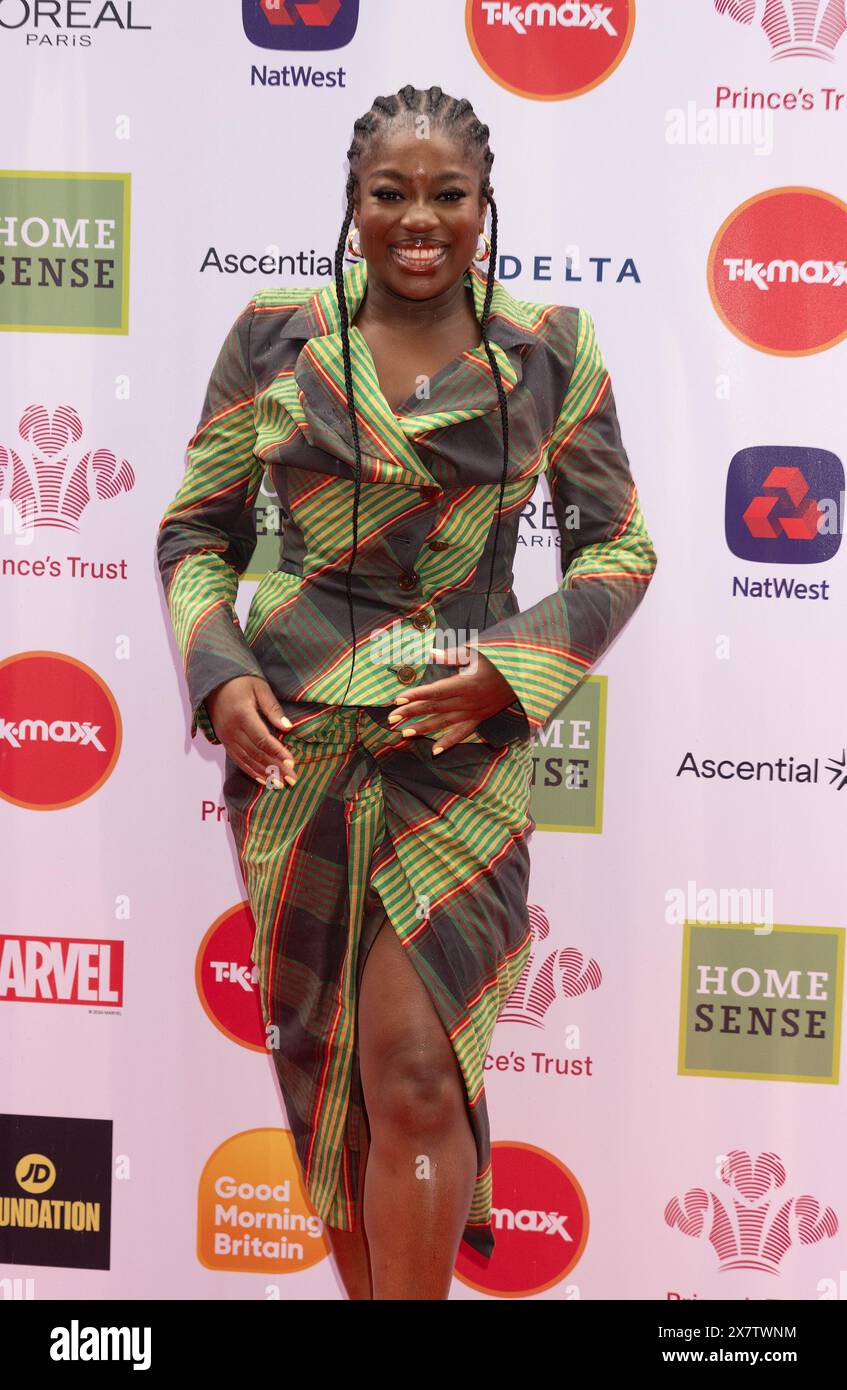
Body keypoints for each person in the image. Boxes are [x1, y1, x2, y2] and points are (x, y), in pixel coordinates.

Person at [155, 84, 658, 1300]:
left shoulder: (549, 349)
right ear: (354, 204)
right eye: (392, 194)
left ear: (488, 208)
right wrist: (218, 674)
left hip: (459, 741)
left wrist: (512, 669)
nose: (419, 219)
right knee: (334, 1081)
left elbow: (618, 547)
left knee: (417, 1072)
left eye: (448, 195)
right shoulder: (273, 338)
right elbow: (193, 537)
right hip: (298, 744)